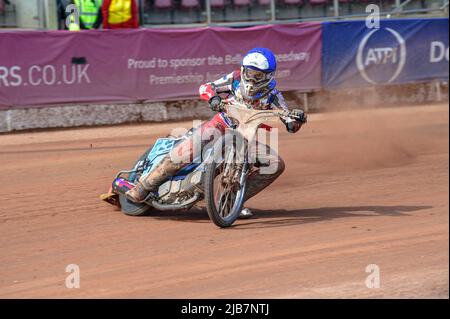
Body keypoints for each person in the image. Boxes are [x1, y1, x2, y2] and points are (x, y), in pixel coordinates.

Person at [126, 48, 307, 218]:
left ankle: (232, 201)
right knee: (189, 149)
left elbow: (290, 123)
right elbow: (206, 87)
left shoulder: (274, 95)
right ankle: (144, 186)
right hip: (220, 124)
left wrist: (297, 119)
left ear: (268, 76)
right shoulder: (235, 78)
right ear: (243, 70)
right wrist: (213, 98)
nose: (251, 78)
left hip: (245, 137)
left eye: (257, 75)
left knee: (275, 164)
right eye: (249, 72)